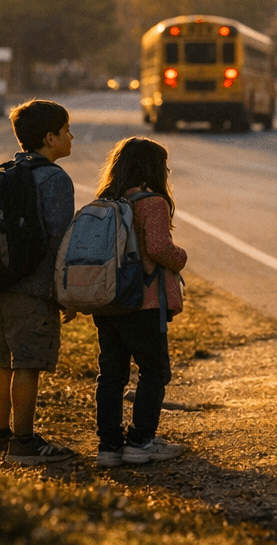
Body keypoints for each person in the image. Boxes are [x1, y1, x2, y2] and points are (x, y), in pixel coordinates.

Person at [0, 99, 79, 465]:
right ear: (50, 138)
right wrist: (62, 293)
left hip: (0, 285)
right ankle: (23, 443)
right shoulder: (54, 178)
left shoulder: (8, 170)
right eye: (67, 130)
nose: (72, 136)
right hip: (33, 289)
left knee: (5, 361)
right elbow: (58, 243)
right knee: (27, 364)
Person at [92, 137, 189, 468]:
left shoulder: (106, 201)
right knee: (153, 370)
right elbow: (160, 249)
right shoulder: (152, 203)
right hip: (143, 303)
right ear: (153, 168)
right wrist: (181, 258)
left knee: (111, 374)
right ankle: (141, 441)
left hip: (107, 302)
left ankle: (108, 446)